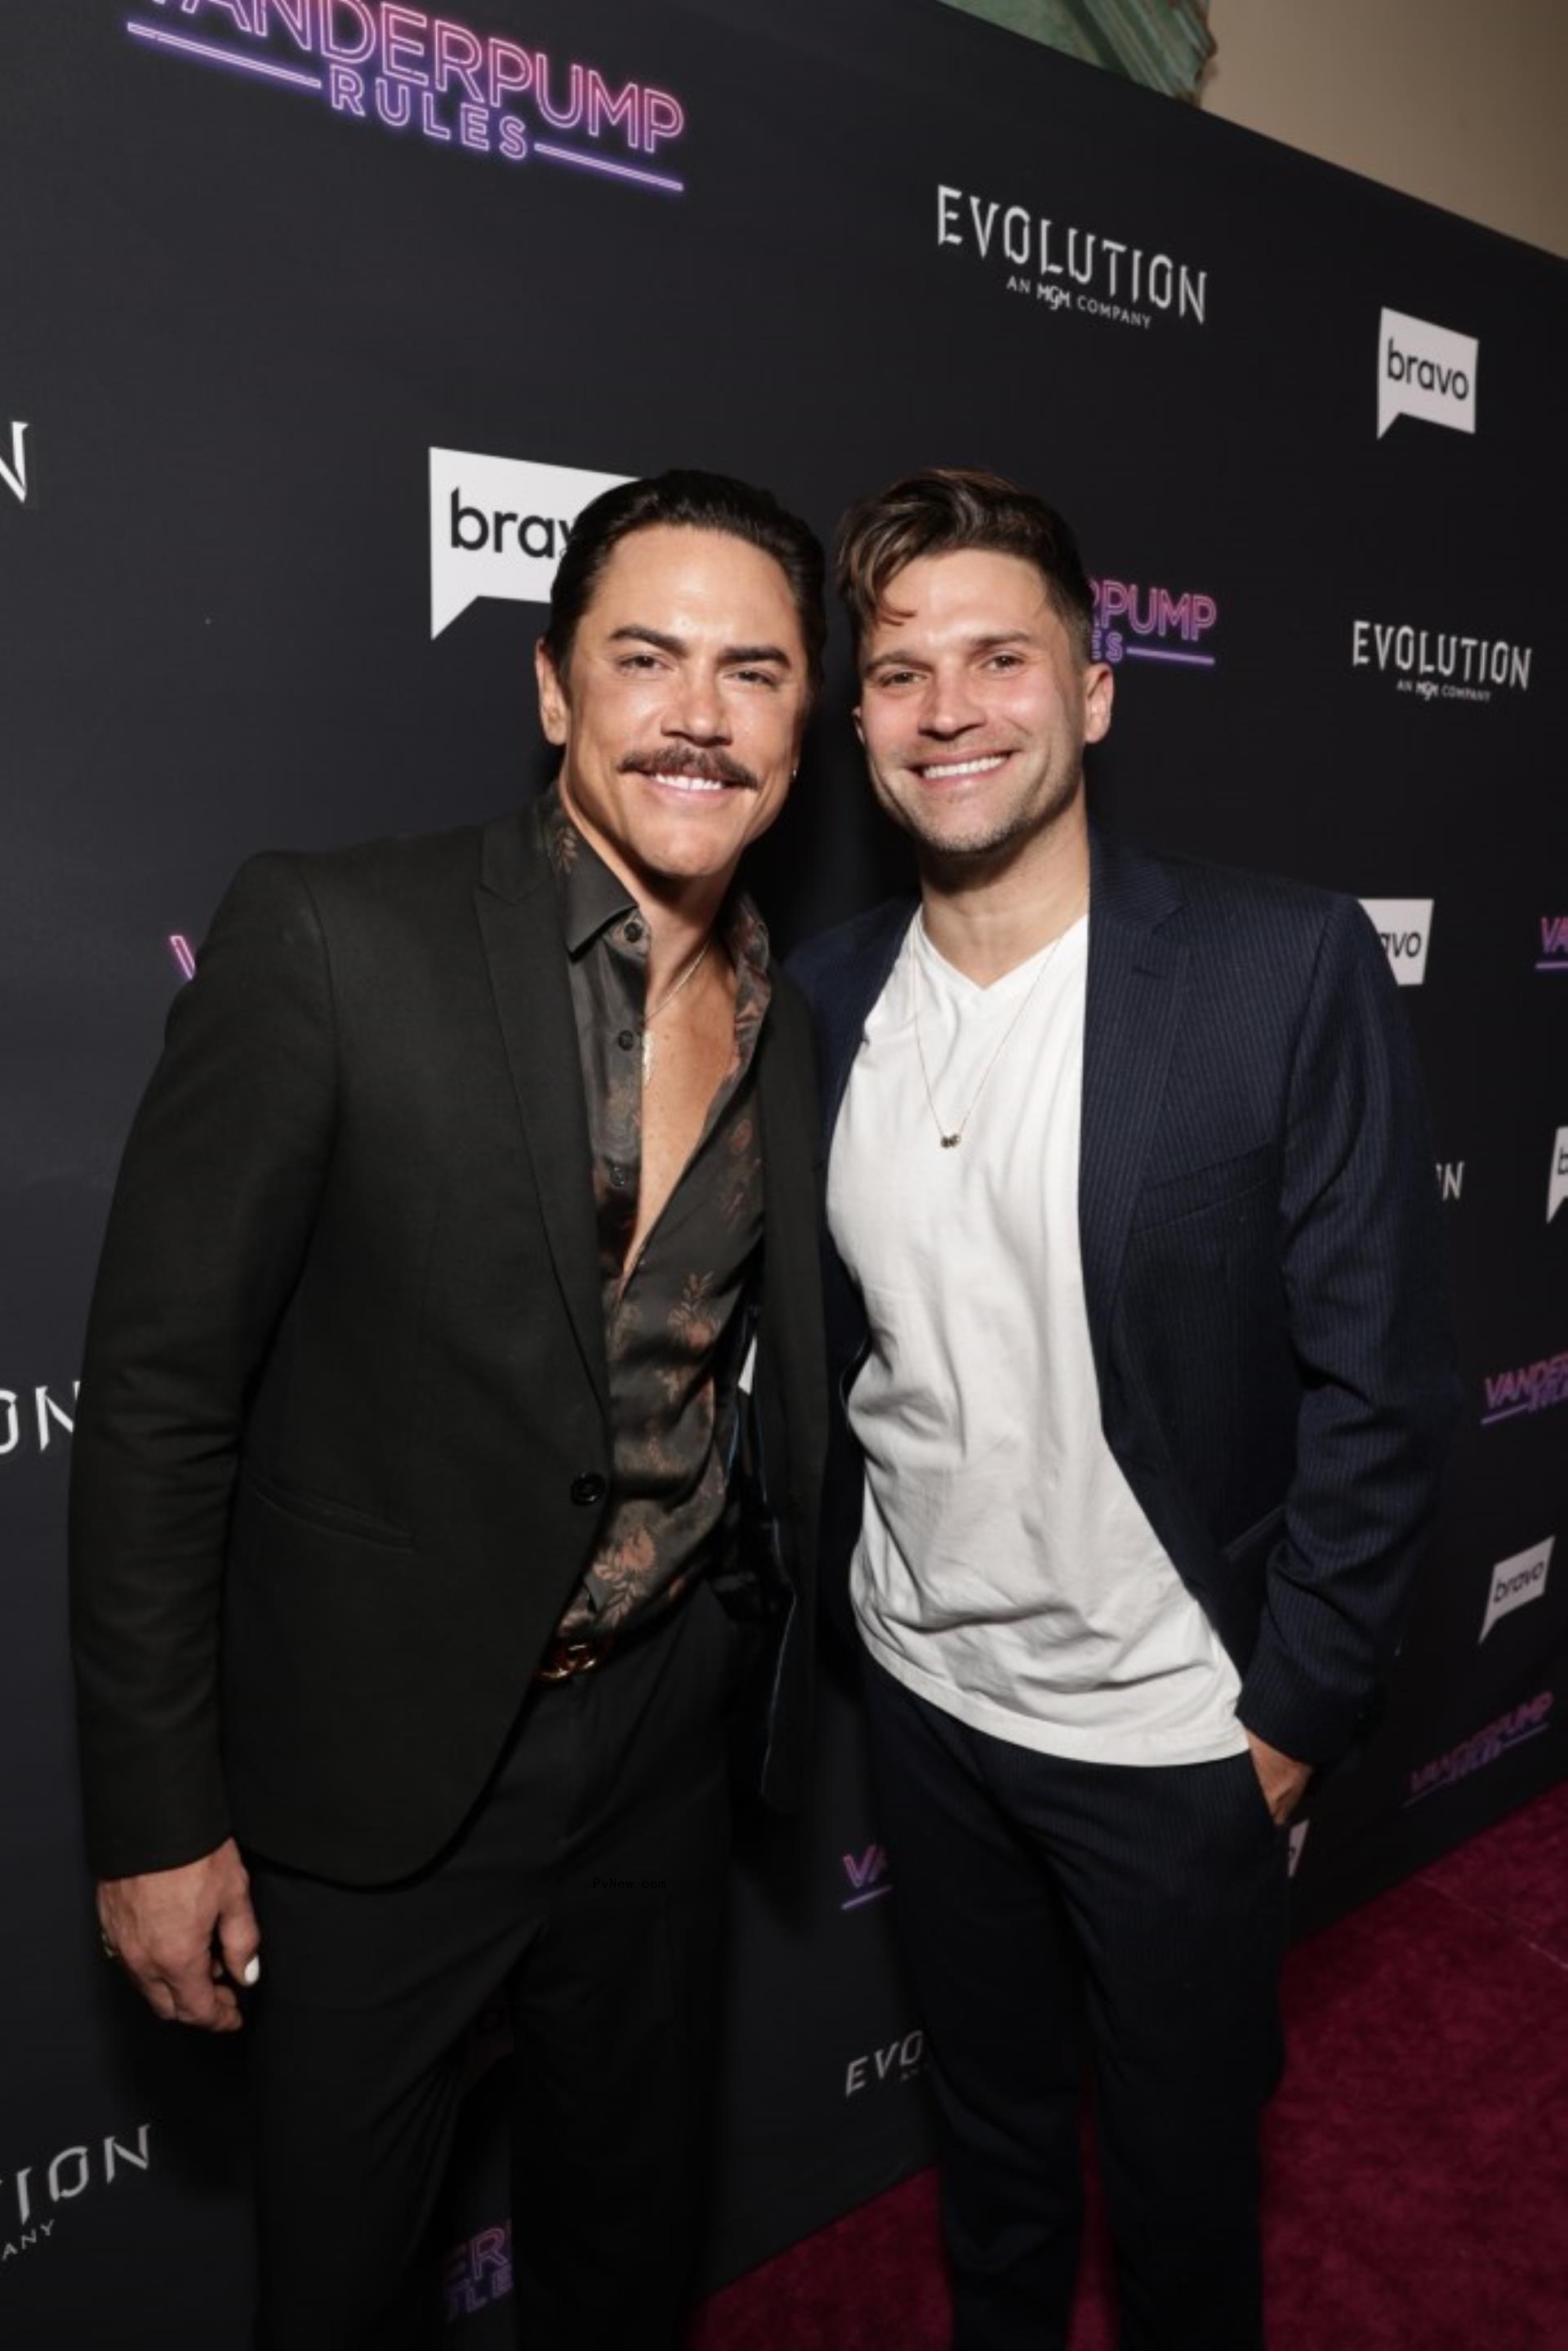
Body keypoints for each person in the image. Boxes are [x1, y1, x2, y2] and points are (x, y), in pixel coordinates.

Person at [69, 470, 829, 2351]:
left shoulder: (792, 1022)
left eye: (754, 671)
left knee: (625, 2246)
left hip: (661, 1737)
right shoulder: (333, 938)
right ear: (556, 688)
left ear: (807, 725)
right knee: (336, 2283)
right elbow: (163, 1398)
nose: (700, 712)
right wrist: (158, 1815)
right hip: (379, 1770)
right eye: (648, 657)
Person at [791, 468, 1457, 2349]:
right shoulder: (824, 996)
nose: (950, 707)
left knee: (1179, 2199)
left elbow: (1384, 1382)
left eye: (1002, 656)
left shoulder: (1274, 963)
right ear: (857, 721)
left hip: (1178, 1741)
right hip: (926, 1707)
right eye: (903, 669)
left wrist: (1288, 1721)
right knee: (993, 2158)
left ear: (1094, 688)